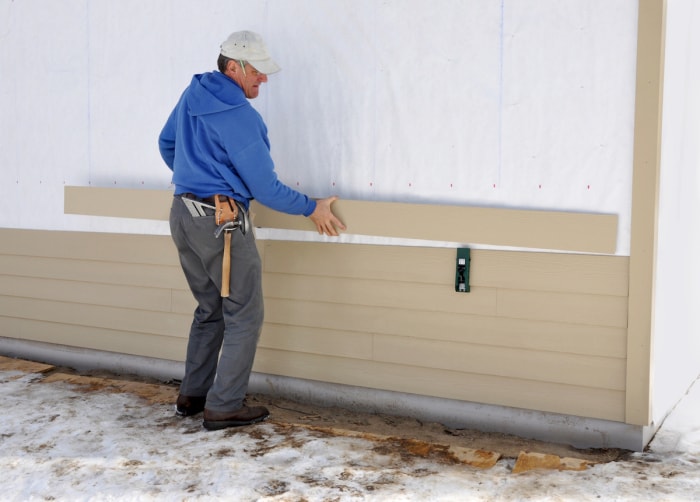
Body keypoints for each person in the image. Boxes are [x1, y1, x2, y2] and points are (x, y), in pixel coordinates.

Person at [158, 30, 345, 431]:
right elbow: (265, 189)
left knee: (209, 309)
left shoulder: (193, 94)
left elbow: (166, 143)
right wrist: (312, 207)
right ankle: (223, 405)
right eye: (258, 72)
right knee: (244, 314)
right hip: (220, 223)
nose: (263, 79)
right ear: (234, 67)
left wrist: (197, 177)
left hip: (182, 214)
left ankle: (192, 396)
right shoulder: (240, 116)